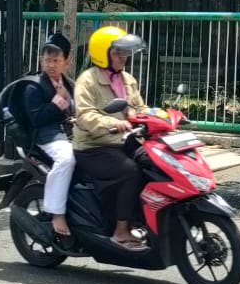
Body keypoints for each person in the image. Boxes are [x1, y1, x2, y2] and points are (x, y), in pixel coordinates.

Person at [72, 25, 148, 251]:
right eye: (118, 52)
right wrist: (113, 123)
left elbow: (139, 107)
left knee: (154, 163)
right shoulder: (87, 80)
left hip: (124, 141)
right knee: (129, 171)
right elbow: (85, 115)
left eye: (125, 53)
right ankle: (121, 231)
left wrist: (158, 117)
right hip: (93, 146)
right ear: (102, 53)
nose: (123, 57)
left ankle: (144, 220)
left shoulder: (127, 79)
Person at [20, 33, 76, 237]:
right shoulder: (33, 85)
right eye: (47, 60)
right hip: (46, 137)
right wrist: (58, 102)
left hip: (71, 135)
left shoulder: (69, 84)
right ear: (41, 60)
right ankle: (56, 212)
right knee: (66, 160)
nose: (51, 65)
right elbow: (37, 119)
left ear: (66, 62)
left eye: (56, 60)